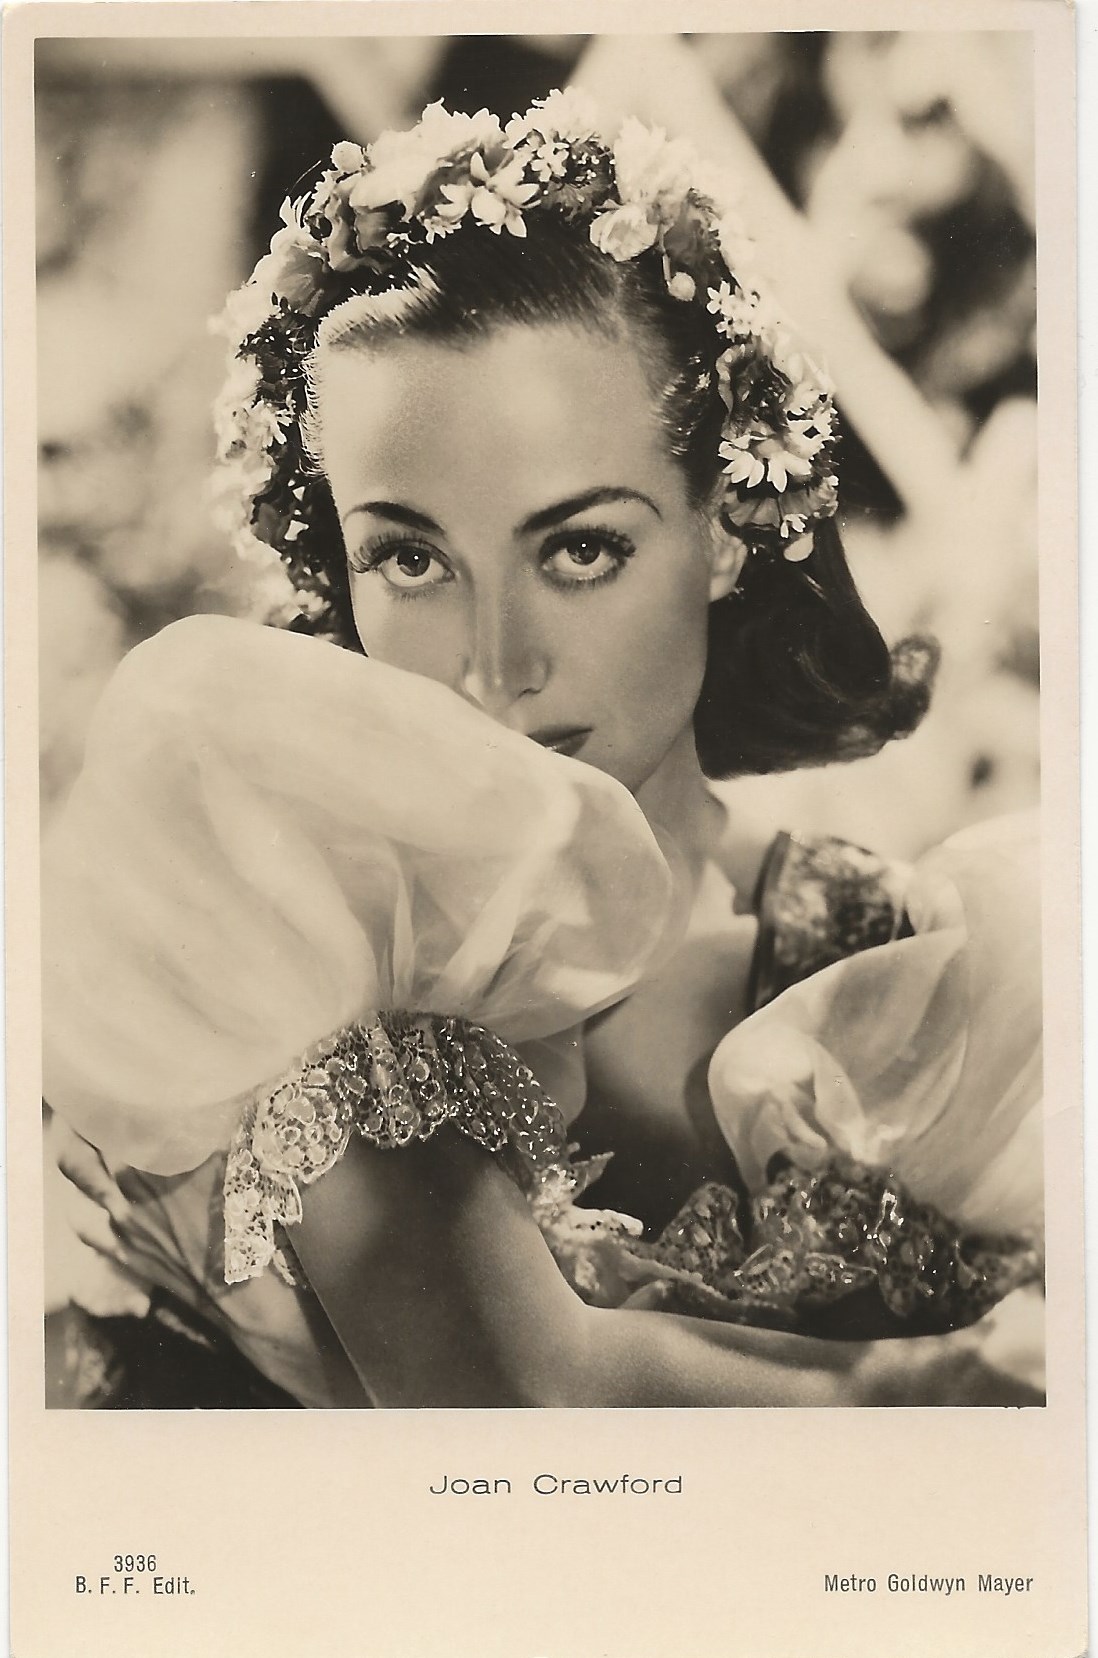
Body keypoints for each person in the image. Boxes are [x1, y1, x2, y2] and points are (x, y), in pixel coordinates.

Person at [43, 91, 1043, 1409]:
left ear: (726, 526)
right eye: (411, 559)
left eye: (579, 547)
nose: (493, 665)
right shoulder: (296, 944)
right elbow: (525, 1402)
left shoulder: (908, 956)